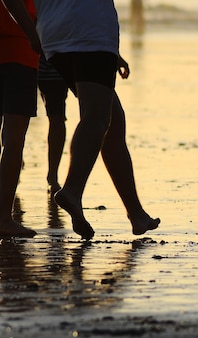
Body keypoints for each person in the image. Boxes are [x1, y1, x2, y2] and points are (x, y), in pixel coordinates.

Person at [3, 0, 160, 240]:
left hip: (55, 34)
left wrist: (34, 33)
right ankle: (72, 190)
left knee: (111, 120)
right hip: (89, 31)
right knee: (97, 117)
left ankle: (136, 213)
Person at [0, 0, 38, 238]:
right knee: (13, 142)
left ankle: (4, 217)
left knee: (12, 142)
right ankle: (3, 218)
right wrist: (34, 35)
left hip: (20, 55)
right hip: (19, 55)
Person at [38, 56, 69, 194]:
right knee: (15, 117)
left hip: (56, 63)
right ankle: (14, 162)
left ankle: (53, 175)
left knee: (56, 118)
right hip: (30, 60)